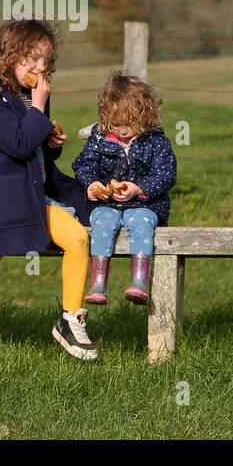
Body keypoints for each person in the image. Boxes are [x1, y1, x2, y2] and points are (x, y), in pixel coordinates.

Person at [0, 19, 97, 360]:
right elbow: (17, 144)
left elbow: (35, 153)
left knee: (77, 238)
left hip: (32, 199)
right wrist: (39, 113)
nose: (40, 67)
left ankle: (70, 320)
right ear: (7, 58)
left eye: (45, 59)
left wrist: (51, 142)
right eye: (31, 59)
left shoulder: (33, 97)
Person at [72, 72, 177, 307]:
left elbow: (166, 174)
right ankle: (98, 282)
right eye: (116, 125)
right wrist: (92, 185)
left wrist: (139, 188)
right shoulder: (99, 141)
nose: (123, 131)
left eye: (129, 124)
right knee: (101, 221)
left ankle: (139, 281)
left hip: (145, 203)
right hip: (106, 203)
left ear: (145, 116)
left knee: (141, 222)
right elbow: (83, 166)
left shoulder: (156, 142)